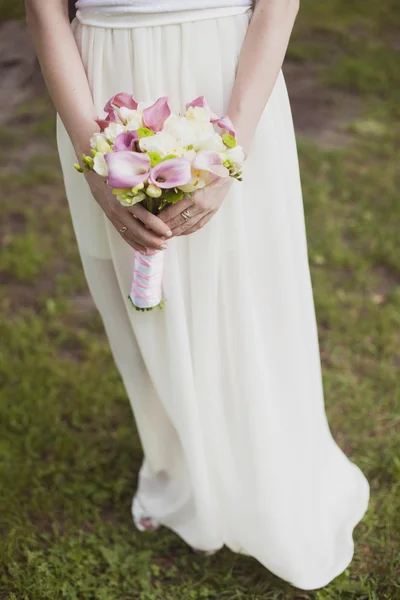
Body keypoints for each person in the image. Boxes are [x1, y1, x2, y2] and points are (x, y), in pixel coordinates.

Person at [25, 0, 370, 590]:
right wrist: (94, 163)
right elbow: (44, 10)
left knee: (245, 295)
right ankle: (174, 467)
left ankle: (269, 471)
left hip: (223, 77)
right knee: (140, 300)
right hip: (102, 86)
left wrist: (230, 143)